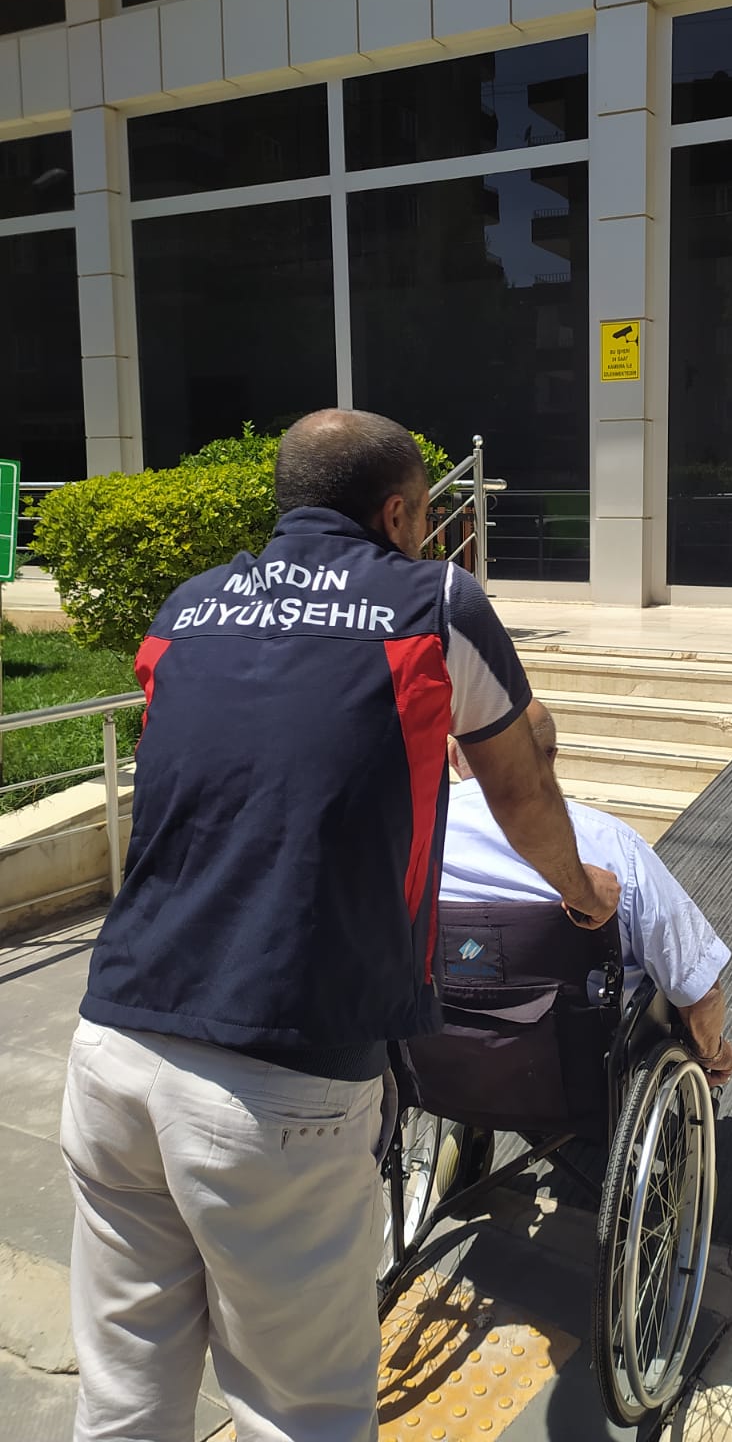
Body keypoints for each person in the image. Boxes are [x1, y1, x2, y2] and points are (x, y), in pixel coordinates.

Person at [60, 409, 618, 1442]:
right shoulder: (433, 601)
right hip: (282, 1079)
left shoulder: (188, 605)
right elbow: (518, 784)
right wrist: (581, 890)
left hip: (114, 1045)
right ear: (399, 513)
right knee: (302, 1412)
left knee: (124, 1399)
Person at [441, 700, 732, 1086]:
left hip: (441, 1062)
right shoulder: (611, 844)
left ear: (454, 756)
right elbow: (699, 992)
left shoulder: (408, 838)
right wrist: (713, 1054)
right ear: (549, 758)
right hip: (576, 1075)